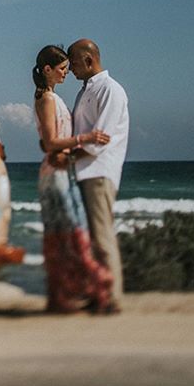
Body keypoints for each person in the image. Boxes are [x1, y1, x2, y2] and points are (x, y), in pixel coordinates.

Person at [33, 45, 113, 313]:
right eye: (62, 69)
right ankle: (97, 288)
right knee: (67, 236)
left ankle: (64, 295)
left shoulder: (53, 99)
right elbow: (50, 141)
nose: (67, 73)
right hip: (53, 176)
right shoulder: (46, 99)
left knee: (65, 236)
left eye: (68, 68)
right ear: (47, 70)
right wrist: (86, 138)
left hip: (62, 171)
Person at [68, 39, 129, 313]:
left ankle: (112, 298)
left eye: (74, 62)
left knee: (103, 237)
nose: (70, 69)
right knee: (94, 238)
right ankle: (99, 293)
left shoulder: (110, 90)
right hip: (85, 172)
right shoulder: (86, 91)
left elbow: (98, 140)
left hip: (100, 170)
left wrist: (68, 156)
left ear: (89, 61)